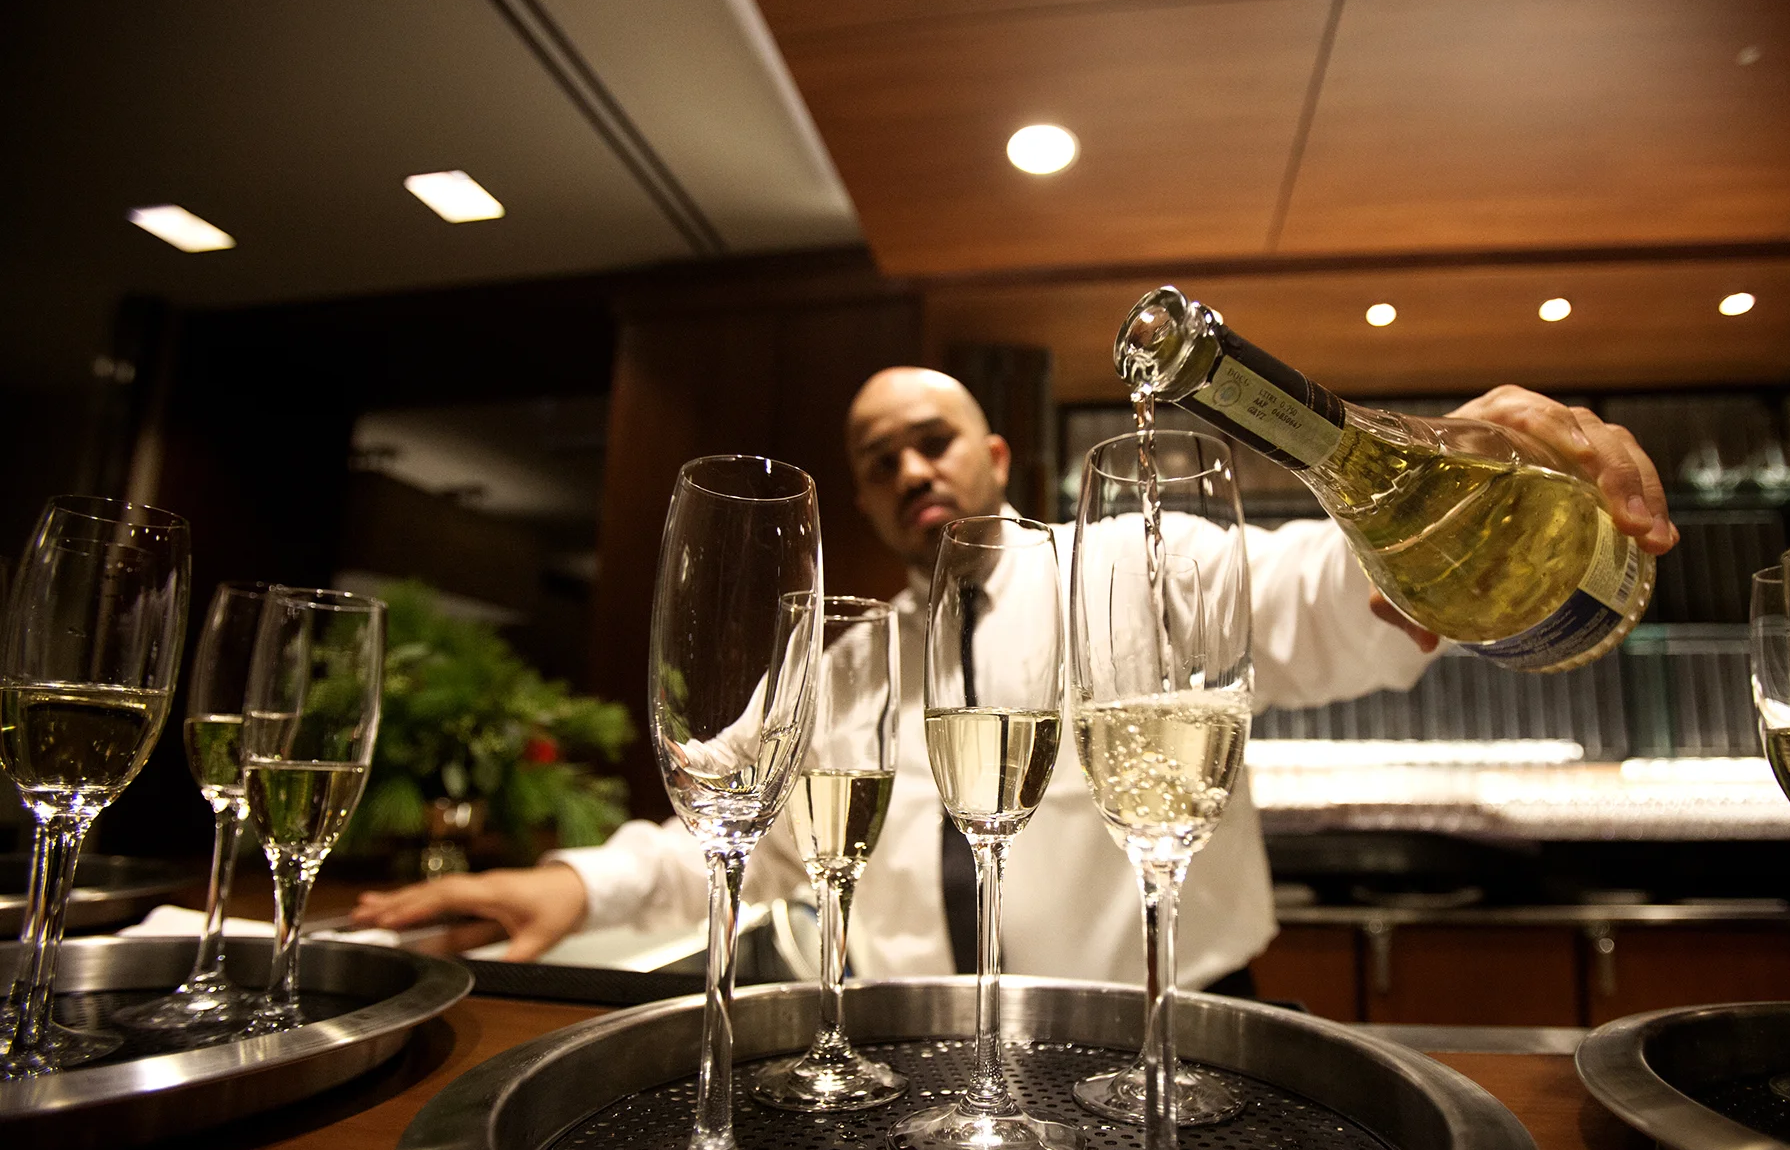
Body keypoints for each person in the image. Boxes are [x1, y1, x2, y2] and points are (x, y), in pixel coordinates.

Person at [352, 369, 1677, 988]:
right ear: (863, 499)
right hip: (913, 1062)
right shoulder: (845, 662)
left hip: (1169, 1027)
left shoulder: (1149, 564)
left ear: (993, 455)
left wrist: (1467, 491)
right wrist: (572, 883)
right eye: (879, 460)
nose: (909, 470)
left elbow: (1329, 588)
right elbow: (731, 822)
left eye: (931, 441)